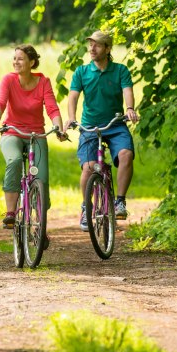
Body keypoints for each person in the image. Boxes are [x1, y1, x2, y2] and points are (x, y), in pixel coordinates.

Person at [64, 30, 139, 228]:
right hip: (89, 127)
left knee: (126, 155)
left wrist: (129, 109)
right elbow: (73, 97)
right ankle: (86, 207)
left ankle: (120, 201)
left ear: (107, 48)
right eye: (90, 45)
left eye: (97, 45)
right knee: (88, 168)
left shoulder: (121, 70)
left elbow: (127, 92)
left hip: (114, 125)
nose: (92, 48)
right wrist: (71, 118)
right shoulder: (81, 71)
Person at [0, 44, 67, 234]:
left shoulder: (43, 82)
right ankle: (10, 212)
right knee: (15, 160)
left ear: (31, 62)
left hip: (36, 134)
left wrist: (58, 127)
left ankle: (39, 227)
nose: (16, 62)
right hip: (12, 132)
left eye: (20, 58)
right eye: (14, 58)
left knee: (42, 178)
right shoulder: (8, 80)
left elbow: (52, 108)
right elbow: (0, 102)